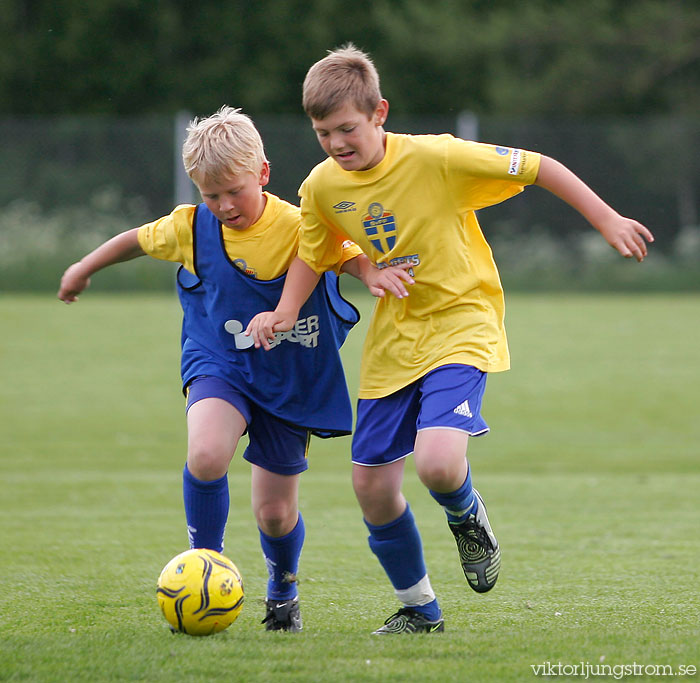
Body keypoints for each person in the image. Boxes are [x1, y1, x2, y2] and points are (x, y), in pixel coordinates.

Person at [246, 45, 655, 635]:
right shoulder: (321, 187)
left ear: (379, 112)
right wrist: (289, 308)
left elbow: (539, 165)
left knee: (439, 464)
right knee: (371, 488)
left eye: (347, 129)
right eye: (323, 133)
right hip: (394, 341)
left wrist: (607, 219)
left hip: (463, 322)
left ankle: (468, 519)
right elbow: (319, 250)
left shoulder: (437, 156)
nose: (336, 143)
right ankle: (421, 609)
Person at [57, 105, 407, 632]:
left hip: (291, 377)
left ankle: (283, 588)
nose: (222, 205)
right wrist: (83, 268)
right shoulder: (190, 228)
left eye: (233, 192)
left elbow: (346, 251)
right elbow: (135, 239)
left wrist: (371, 273)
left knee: (274, 513)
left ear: (262, 175)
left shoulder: (299, 225)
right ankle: (205, 565)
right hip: (219, 363)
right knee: (206, 452)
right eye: (209, 194)